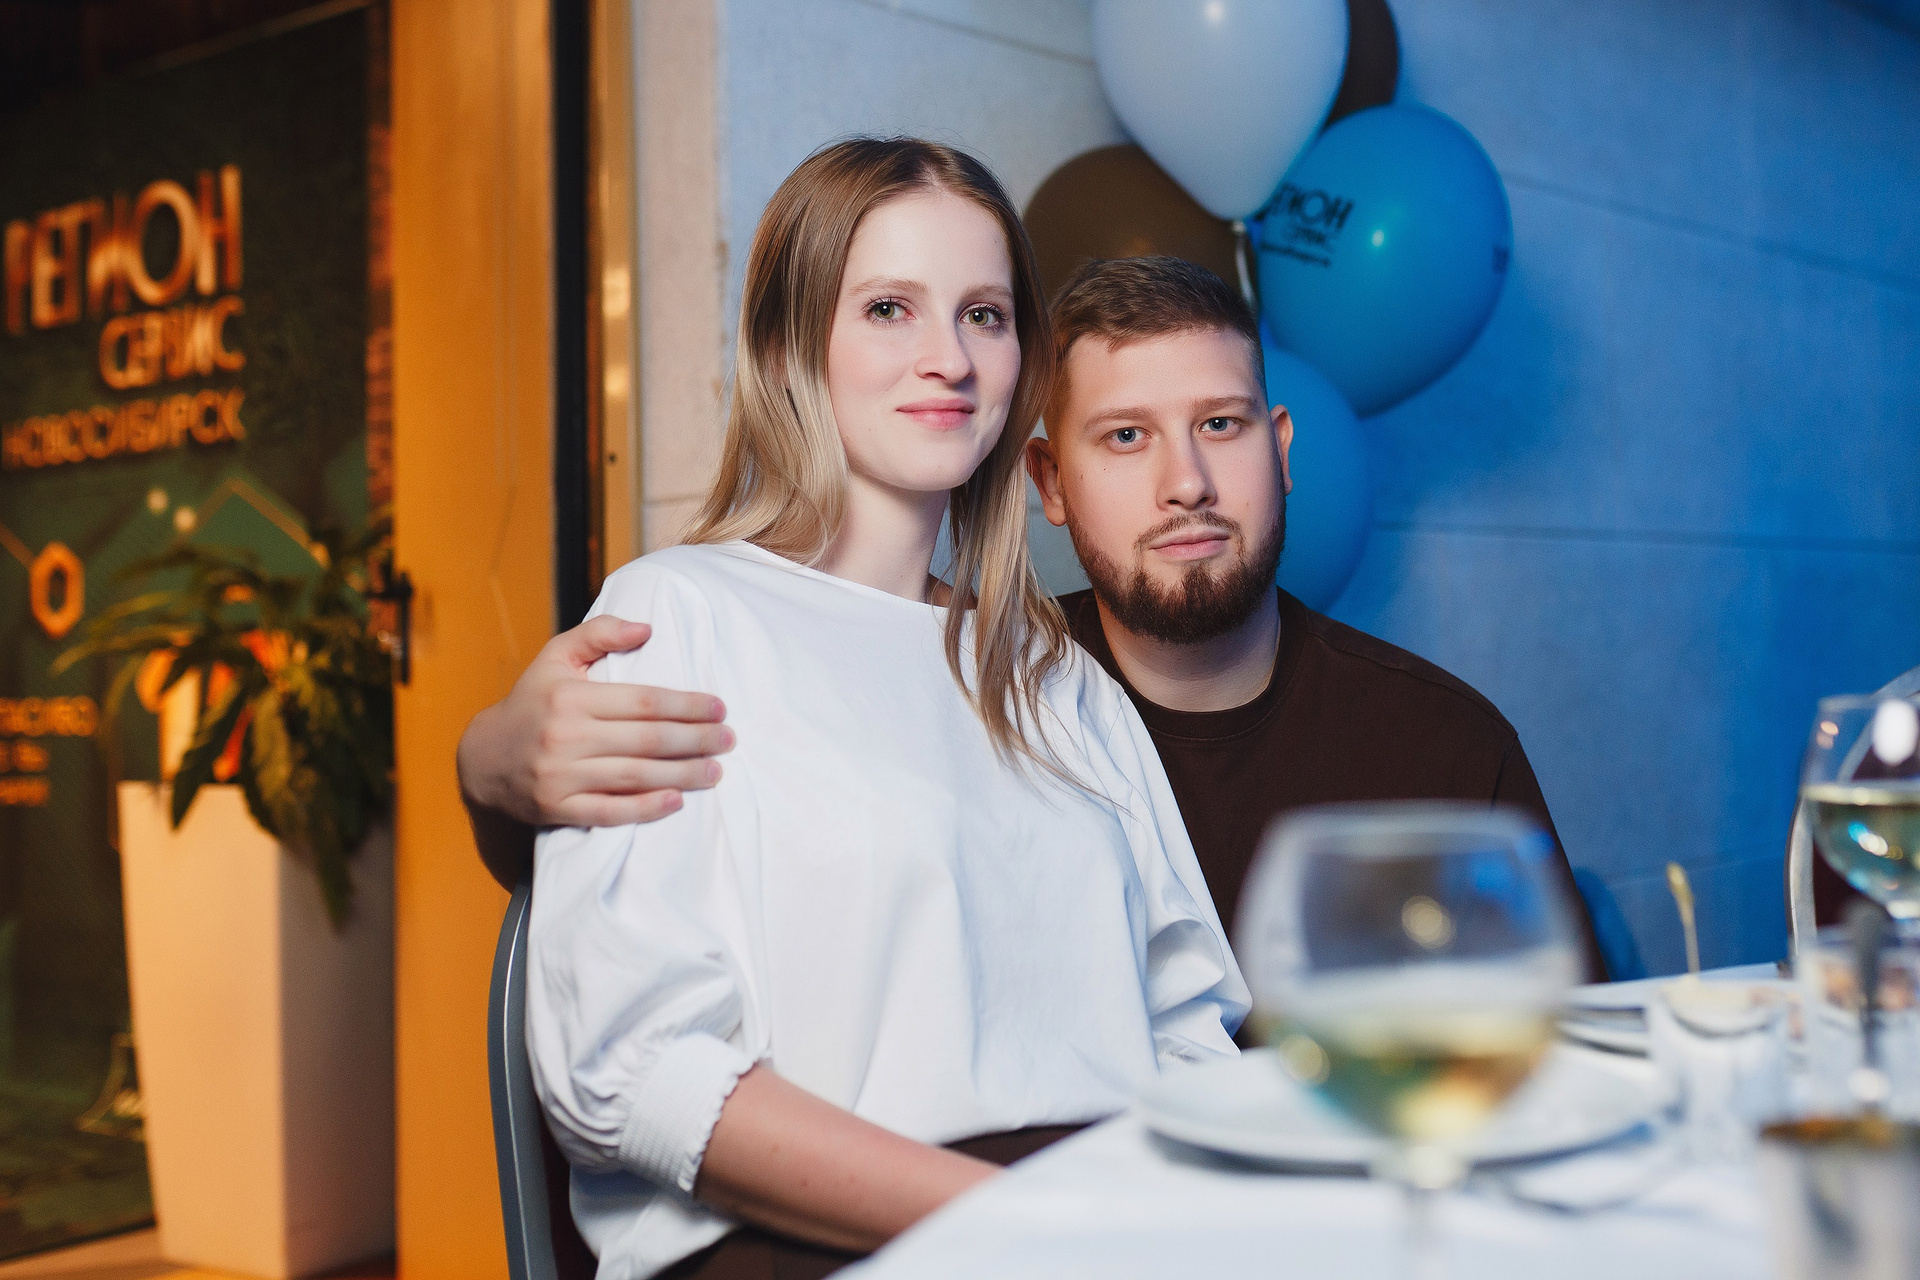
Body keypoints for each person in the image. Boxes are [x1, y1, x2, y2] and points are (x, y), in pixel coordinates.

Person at [461, 255, 1604, 979]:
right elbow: (636, 858)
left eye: (1220, 424)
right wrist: (492, 766)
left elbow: (1565, 1081)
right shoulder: (971, 685)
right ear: (1050, 482)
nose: (1186, 484)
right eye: (1126, 436)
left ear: (1282, 448)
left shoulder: (1450, 750)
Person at [524, 141, 1245, 1280]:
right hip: (822, 1247)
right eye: (889, 309)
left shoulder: (1055, 674)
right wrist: (1023, 1224)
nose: (948, 358)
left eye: (985, 316)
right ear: (791, 342)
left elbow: (1189, 1029)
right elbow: (627, 1070)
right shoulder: (677, 616)